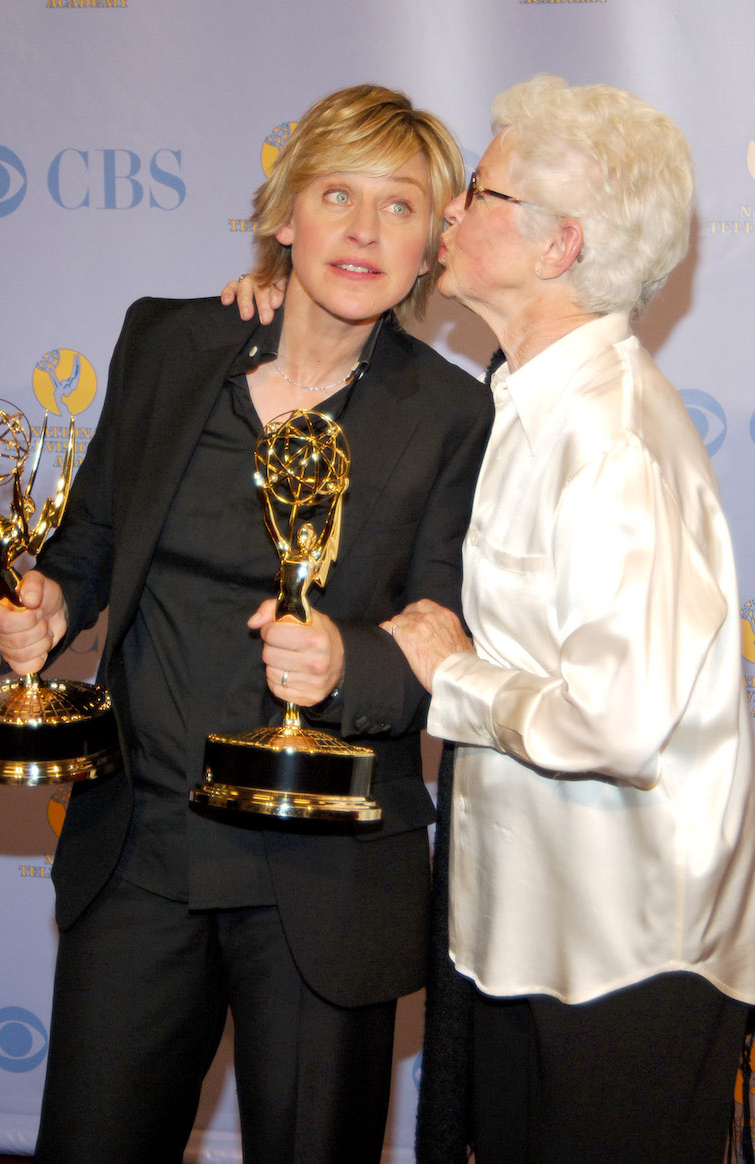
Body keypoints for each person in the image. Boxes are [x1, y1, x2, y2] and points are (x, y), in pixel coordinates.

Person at [0, 83, 492, 1164]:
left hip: (323, 876)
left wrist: (343, 659)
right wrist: (46, 608)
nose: (362, 230)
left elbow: (447, 630)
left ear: (432, 246)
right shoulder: (168, 343)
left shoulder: (452, 413)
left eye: (399, 207)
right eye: (336, 194)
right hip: (141, 856)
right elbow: (88, 540)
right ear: (281, 215)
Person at [377, 75, 755, 1163]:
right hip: (533, 929)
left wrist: (452, 676)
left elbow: (616, 724)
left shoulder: (612, 444)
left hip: (627, 950)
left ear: (558, 246)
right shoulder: (529, 395)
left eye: (478, 193)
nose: (446, 211)